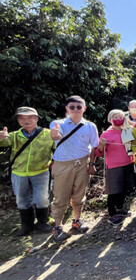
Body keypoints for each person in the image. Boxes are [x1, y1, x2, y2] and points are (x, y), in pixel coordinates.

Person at [49, 96, 99, 241]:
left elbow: (93, 147)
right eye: (72, 107)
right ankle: (58, 227)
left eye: (79, 107)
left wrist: (91, 164)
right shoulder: (58, 123)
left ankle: (77, 220)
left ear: (84, 108)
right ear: (67, 109)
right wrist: (54, 134)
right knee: (61, 196)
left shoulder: (90, 126)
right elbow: (56, 135)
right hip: (63, 164)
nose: (76, 109)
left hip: (83, 163)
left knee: (79, 194)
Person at [0, 107, 54, 236]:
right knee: (22, 200)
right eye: (22, 118)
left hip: (41, 171)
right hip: (19, 172)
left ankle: (42, 222)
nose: (26, 120)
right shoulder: (14, 136)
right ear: (18, 120)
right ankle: (26, 225)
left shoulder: (48, 134)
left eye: (30, 117)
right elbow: (3, 142)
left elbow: (59, 148)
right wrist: (0, 137)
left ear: (36, 118)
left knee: (42, 199)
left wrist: (55, 162)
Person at [95, 110, 135, 226]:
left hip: (128, 162)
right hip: (114, 165)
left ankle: (120, 207)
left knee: (124, 188)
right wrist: (101, 145)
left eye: (121, 117)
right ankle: (112, 213)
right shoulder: (106, 133)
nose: (119, 119)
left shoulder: (127, 131)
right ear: (110, 119)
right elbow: (98, 153)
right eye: (116, 117)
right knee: (113, 190)